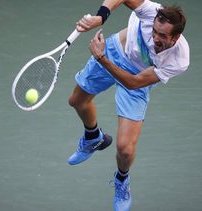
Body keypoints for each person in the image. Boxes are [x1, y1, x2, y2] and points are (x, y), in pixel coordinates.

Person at [67, 0, 189, 210]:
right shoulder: (151, 11)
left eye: (162, 36)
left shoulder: (179, 59)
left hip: (135, 78)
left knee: (125, 149)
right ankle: (93, 137)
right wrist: (101, 16)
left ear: (176, 37)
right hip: (115, 50)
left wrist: (101, 57)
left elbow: (133, 84)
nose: (155, 38)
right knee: (77, 101)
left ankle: (122, 180)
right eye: (155, 31)